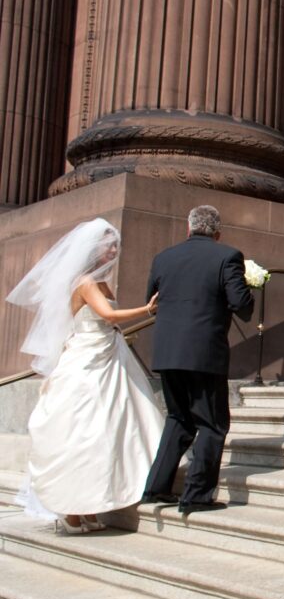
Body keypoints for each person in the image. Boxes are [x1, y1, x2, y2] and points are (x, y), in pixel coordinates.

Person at [6, 218, 164, 534]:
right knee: (83, 432)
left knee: (103, 431)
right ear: (93, 249)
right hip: (87, 361)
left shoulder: (101, 282)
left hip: (108, 356)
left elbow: (108, 321)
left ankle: (89, 508)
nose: (114, 250)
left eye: (116, 245)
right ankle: (71, 511)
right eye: (109, 246)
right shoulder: (85, 283)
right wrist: (147, 310)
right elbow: (108, 315)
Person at [142, 205, 254, 514]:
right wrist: (249, 287)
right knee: (212, 424)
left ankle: (155, 487)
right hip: (204, 353)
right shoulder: (228, 256)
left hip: (167, 351)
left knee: (178, 419)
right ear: (217, 233)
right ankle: (196, 495)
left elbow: (150, 300)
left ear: (188, 228)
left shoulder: (163, 257)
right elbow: (241, 305)